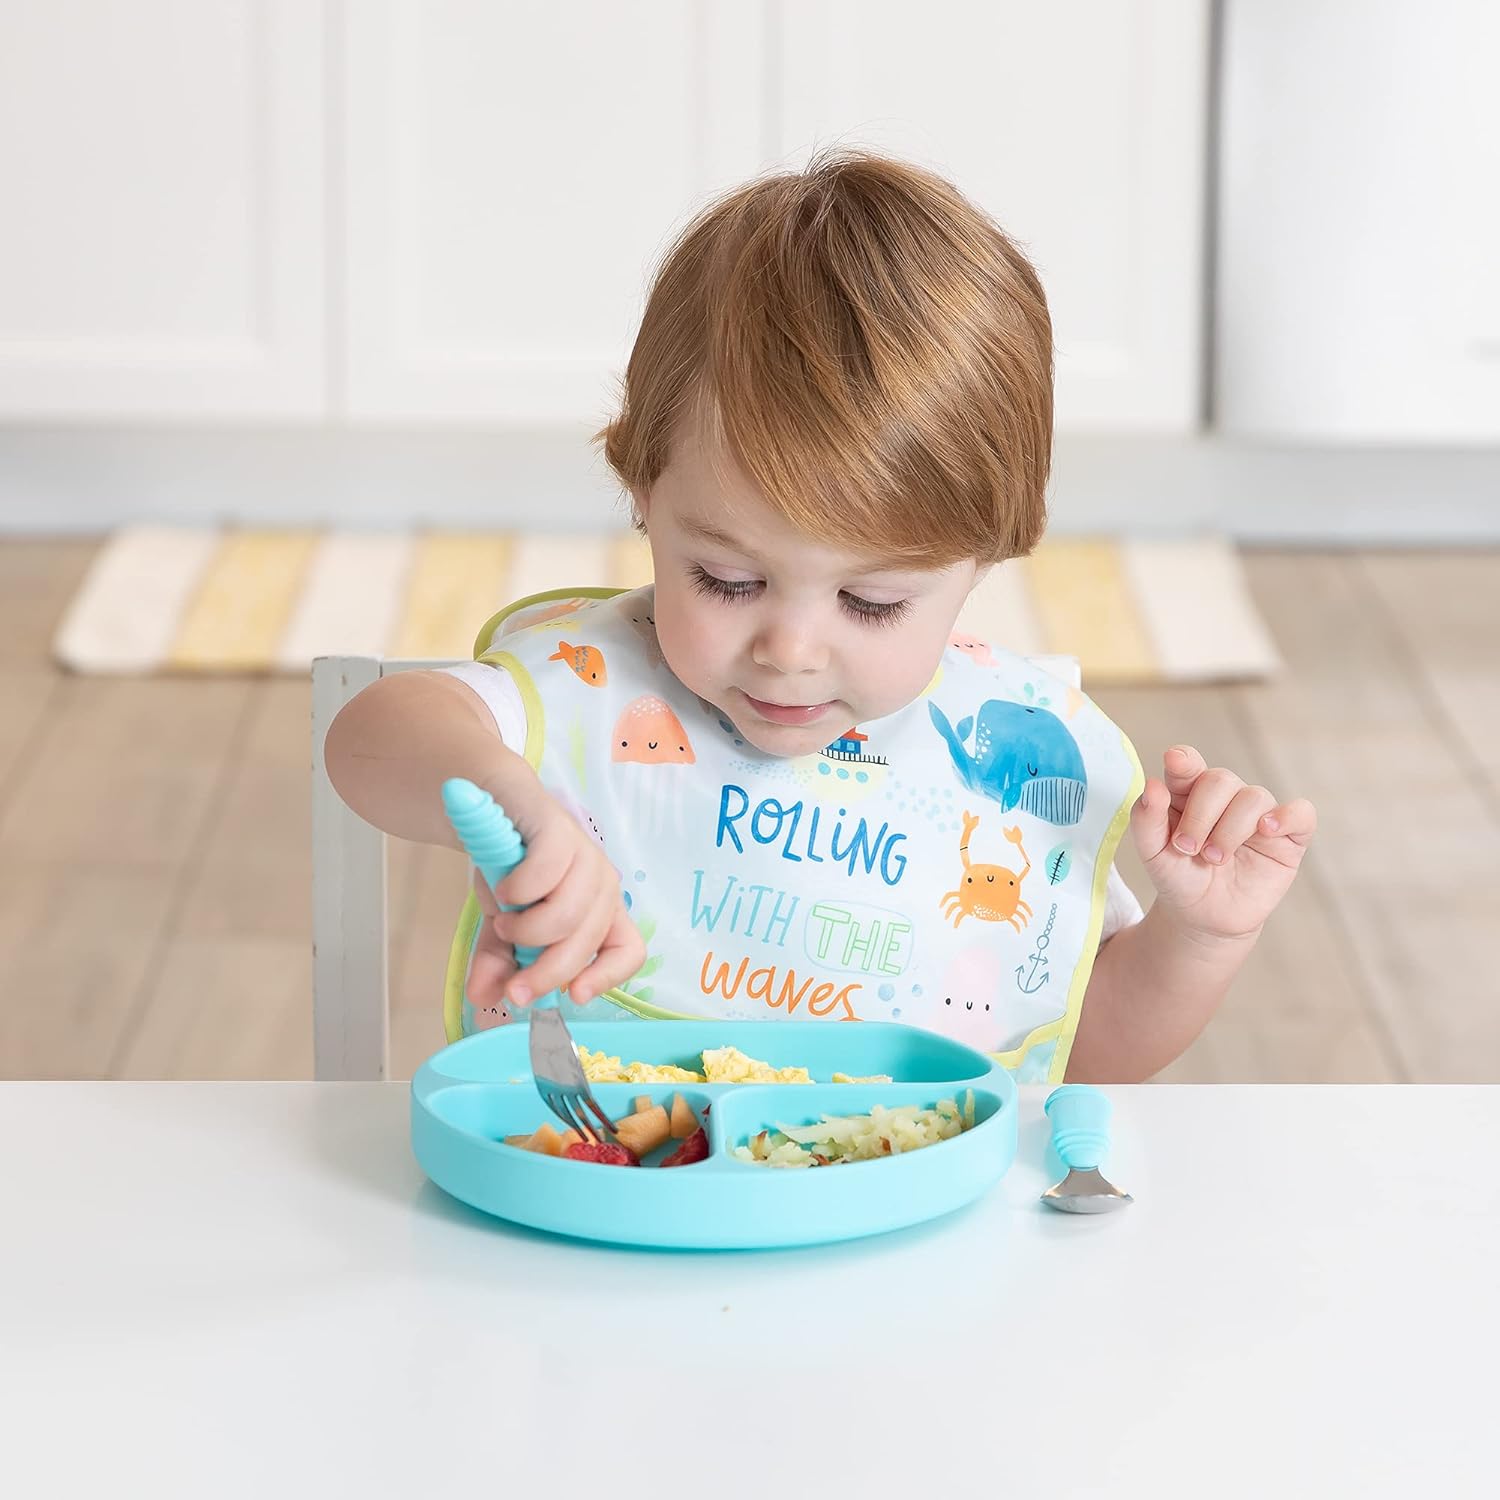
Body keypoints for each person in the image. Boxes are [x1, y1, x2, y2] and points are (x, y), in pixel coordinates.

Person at [324, 149, 1316, 1083]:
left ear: (985, 553)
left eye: (871, 602)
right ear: (643, 490)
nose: (790, 650)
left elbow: (1080, 1051)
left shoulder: (1017, 765)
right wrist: (507, 796)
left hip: (913, 1205)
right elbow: (371, 735)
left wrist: (1201, 936)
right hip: (594, 1187)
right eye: (726, 580)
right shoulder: (591, 685)